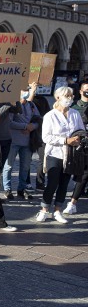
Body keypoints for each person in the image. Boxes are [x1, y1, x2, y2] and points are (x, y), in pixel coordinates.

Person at [38, 86, 84, 223]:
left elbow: (81, 130)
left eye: (71, 96)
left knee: (64, 183)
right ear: (58, 97)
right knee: (52, 183)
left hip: (70, 154)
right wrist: (65, 140)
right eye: (67, 96)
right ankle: (44, 210)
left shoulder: (75, 113)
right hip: (55, 153)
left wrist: (78, 139)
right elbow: (46, 137)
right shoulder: (50, 115)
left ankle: (58, 210)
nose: (70, 98)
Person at [2, 86, 40, 201]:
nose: (26, 93)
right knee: (8, 166)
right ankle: (7, 189)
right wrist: (24, 126)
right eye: (24, 90)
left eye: (27, 91)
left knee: (25, 167)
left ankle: (22, 189)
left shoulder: (31, 105)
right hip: (13, 140)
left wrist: (32, 127)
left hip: (27, 141)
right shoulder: (13, 105)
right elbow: (9, 122)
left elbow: (38, 119)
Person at [66, 81, 88, 214]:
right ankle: (73, 202)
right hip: (83, 144)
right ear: (80, 91)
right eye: (86, 89)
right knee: (83, 174)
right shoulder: (75, 108)